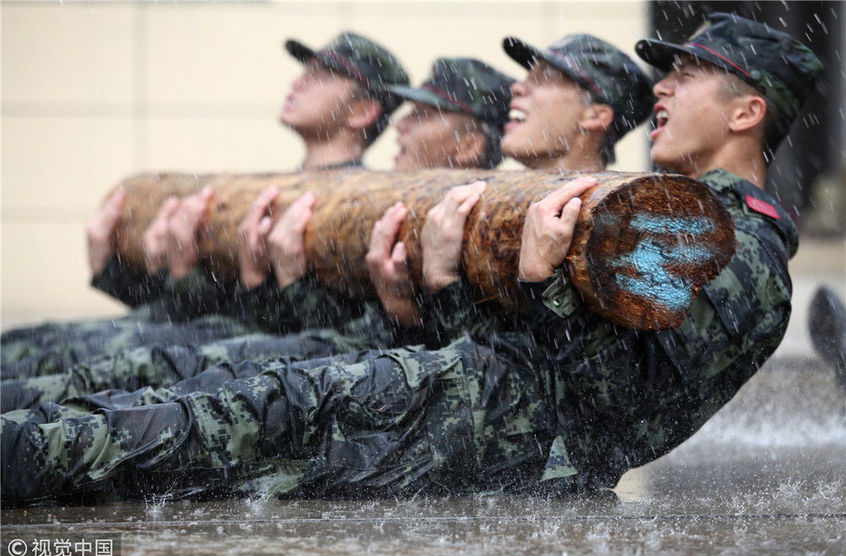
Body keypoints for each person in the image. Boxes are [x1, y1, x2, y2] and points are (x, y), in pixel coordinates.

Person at [0, 39, 651, 408]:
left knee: (104, 397)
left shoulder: (621, 226)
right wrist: (137, 271)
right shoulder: (419, 207)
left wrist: (282, 286)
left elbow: (579, 384)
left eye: (425, 114)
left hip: (405, 409)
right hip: (369, 389)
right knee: (52, 362)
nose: (404, 124)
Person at [0, 32, 410, 378]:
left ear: (362, 111)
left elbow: (325, 341)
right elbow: (192, 314)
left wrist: (265, 282)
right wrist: (124, 272)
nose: (299, 81)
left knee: (45, 367)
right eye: (305, 69)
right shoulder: (256, 192)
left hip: (242, 378)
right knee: (25, 346)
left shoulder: (364, 214)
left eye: (322, 75)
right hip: (195, 356)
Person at [500, 34, 652, 171]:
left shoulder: (623, 202)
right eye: (527, 78)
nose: (516, 87)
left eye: (543, 78)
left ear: (595, 116)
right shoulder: (495, 197)